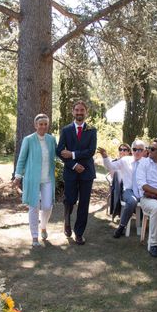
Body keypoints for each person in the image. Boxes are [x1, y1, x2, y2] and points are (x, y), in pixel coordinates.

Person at [57, 100, 98, 245]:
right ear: (73, 112)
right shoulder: (66, 130)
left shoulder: (92, 130)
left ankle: (79, 233)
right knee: (70, 199)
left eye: (82, 110)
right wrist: (73, 165)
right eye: (77, 110)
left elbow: (91, 151)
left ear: (86, 112)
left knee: (84, 203)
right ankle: (67, 221)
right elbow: (60, 151)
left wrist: (73, 154)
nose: (79, 113)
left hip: (87, 173)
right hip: (71, 172)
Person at [14, 114, 57, 246]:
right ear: (35, 125)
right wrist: (18, 176)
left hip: (48, 179)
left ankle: (43, 226)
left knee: (47, 206)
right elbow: (21, 159)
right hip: (32, 179)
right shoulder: (29, 139)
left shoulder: (51, 139)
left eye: (45, 124)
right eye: (40, 124)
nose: (43, 126)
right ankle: (34, 235)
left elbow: (58, 155)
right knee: (34, 206)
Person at [99, 139, 147, 238]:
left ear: (145, 151)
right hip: (128, 190)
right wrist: (105, 157)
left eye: (140, 150)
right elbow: (111, 166)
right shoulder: (125, 160)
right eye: (135, 149)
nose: (137, 152)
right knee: (132, 201)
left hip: (143, 190)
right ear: (132, 150)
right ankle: (121, 226)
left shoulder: (147, 162)